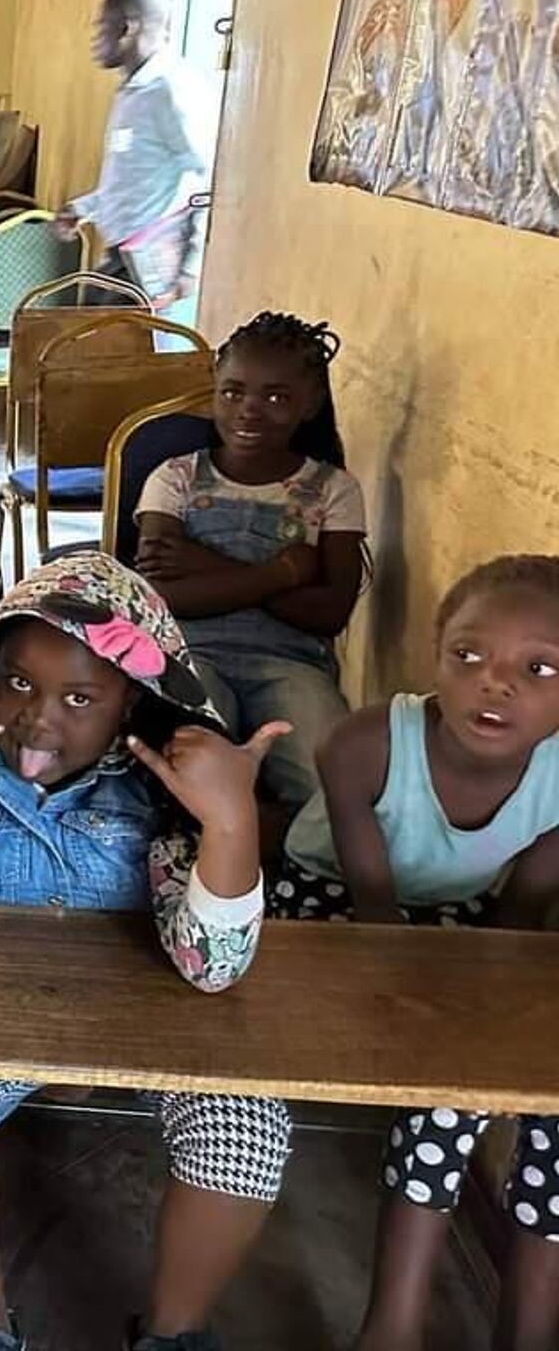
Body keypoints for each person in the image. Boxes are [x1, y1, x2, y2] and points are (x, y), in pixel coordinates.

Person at [0, 553, 293, 1351]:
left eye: (79, 698)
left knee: (249, 1129)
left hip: (152, 1024)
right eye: (19, 683)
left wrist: (231, 823)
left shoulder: (164, 793)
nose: (39, 720)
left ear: (128, 702)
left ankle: (173, 1333)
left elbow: (213, 967)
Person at [271, 556, 559, 1351]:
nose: (492, 685)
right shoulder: (366, 745)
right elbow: (374, 919)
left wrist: (500, 1031)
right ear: (436, 656)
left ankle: (528, 1327)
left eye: (538, 669)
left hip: (460, 925)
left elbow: (522, 917)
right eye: (468, 656)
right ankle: (391, 1326)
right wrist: (466, 1037)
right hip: (335, 912)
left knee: (526, 1078)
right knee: (451, 1080)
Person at [135, 311, 366, 841]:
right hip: (190, 654)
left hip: (290, 664)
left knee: (330, 784)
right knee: (181, 768)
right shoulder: (175, 478)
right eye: (234, 392)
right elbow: (164, 598)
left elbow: (329, 612)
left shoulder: (333, 491)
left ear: (309, 404)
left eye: (277, 397)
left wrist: (203, 563)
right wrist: (284, 572)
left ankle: (280, 865)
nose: (250, 411)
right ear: (214, 388)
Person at [55, 0, 214, 324]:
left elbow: (208, 179)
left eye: (102, 27)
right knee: (83, 352)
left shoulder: (170, 91)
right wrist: (81, 209)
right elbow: (132, 181)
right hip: (121, 261)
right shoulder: (133, 92)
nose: (95, 38)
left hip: (151, 269)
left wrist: (191, 267)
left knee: (124, 368)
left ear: (126, 28)